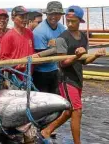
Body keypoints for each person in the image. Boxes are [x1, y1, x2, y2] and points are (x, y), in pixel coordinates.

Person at [39, 6, 106, 144]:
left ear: (80, 21)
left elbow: (85, 61)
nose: (69, 24)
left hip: (77, 77)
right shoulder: (62, 39)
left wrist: (95, 55)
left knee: (69, 112)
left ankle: (46, 131)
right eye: (68, 21)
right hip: (66, 79)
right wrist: (76, 56)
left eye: (73, 21)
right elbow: (62, 64)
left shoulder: (83, 37)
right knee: (77, 110)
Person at [32, 1, 65, 94]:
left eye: (57, 14)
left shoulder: (62, 28)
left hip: (55, 69)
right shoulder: (39, 31)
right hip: (41, 72)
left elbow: (67, 46)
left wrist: (56, 46)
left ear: (61, 15)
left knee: (57, 98)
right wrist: (59, 47)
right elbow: (40, 57)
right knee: (42, 100)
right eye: (51, 14)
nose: (54, 16)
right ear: (47, 14)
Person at [0, 6, 36, 80]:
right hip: (14, 77)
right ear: (13, 18)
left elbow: (31, 51)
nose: (25, 19)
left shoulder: (29, 33)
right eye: (21, 17)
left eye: (26, 16)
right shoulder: (8, 36)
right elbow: (2, 60)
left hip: (28, 75)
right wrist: (16, 66)